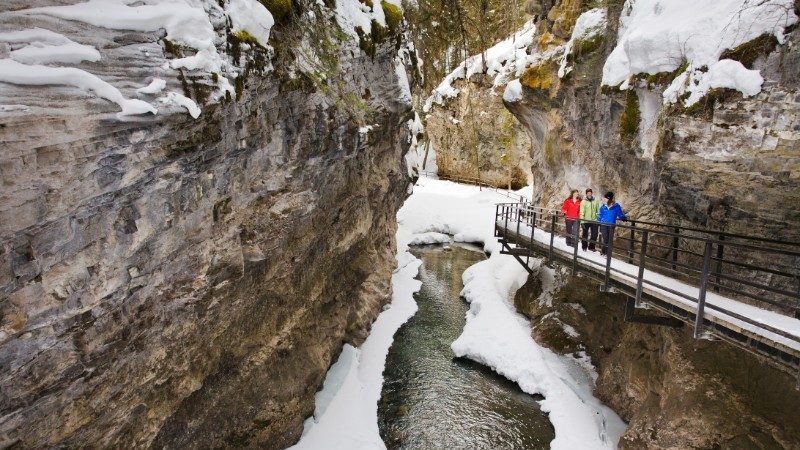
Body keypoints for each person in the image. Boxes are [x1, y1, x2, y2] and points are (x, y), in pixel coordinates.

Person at [597, 191, 626, 256]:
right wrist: (598, 221)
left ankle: (605, 252)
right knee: (606, 238)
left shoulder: (616, 207)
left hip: (611, 225)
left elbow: (620, 214)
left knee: (609, 239)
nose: (604, 199)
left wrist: (623, 217)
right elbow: (600, 215)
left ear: (609, 199)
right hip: (604, 224)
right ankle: (605, 252)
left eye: (606, 198)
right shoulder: (603, 207)